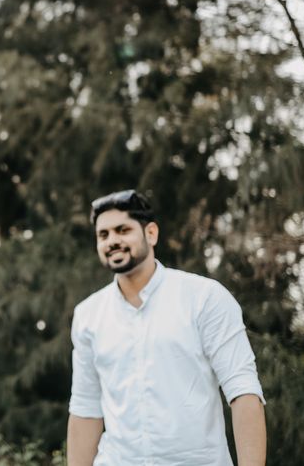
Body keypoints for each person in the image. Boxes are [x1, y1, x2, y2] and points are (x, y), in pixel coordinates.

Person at [67, 189, 267, 466]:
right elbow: (85, 410)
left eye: (122, 230)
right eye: (104, 235)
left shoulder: (204, 297)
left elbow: (243, 391)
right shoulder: (88, 315)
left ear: (151, 234)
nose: (112, 240)